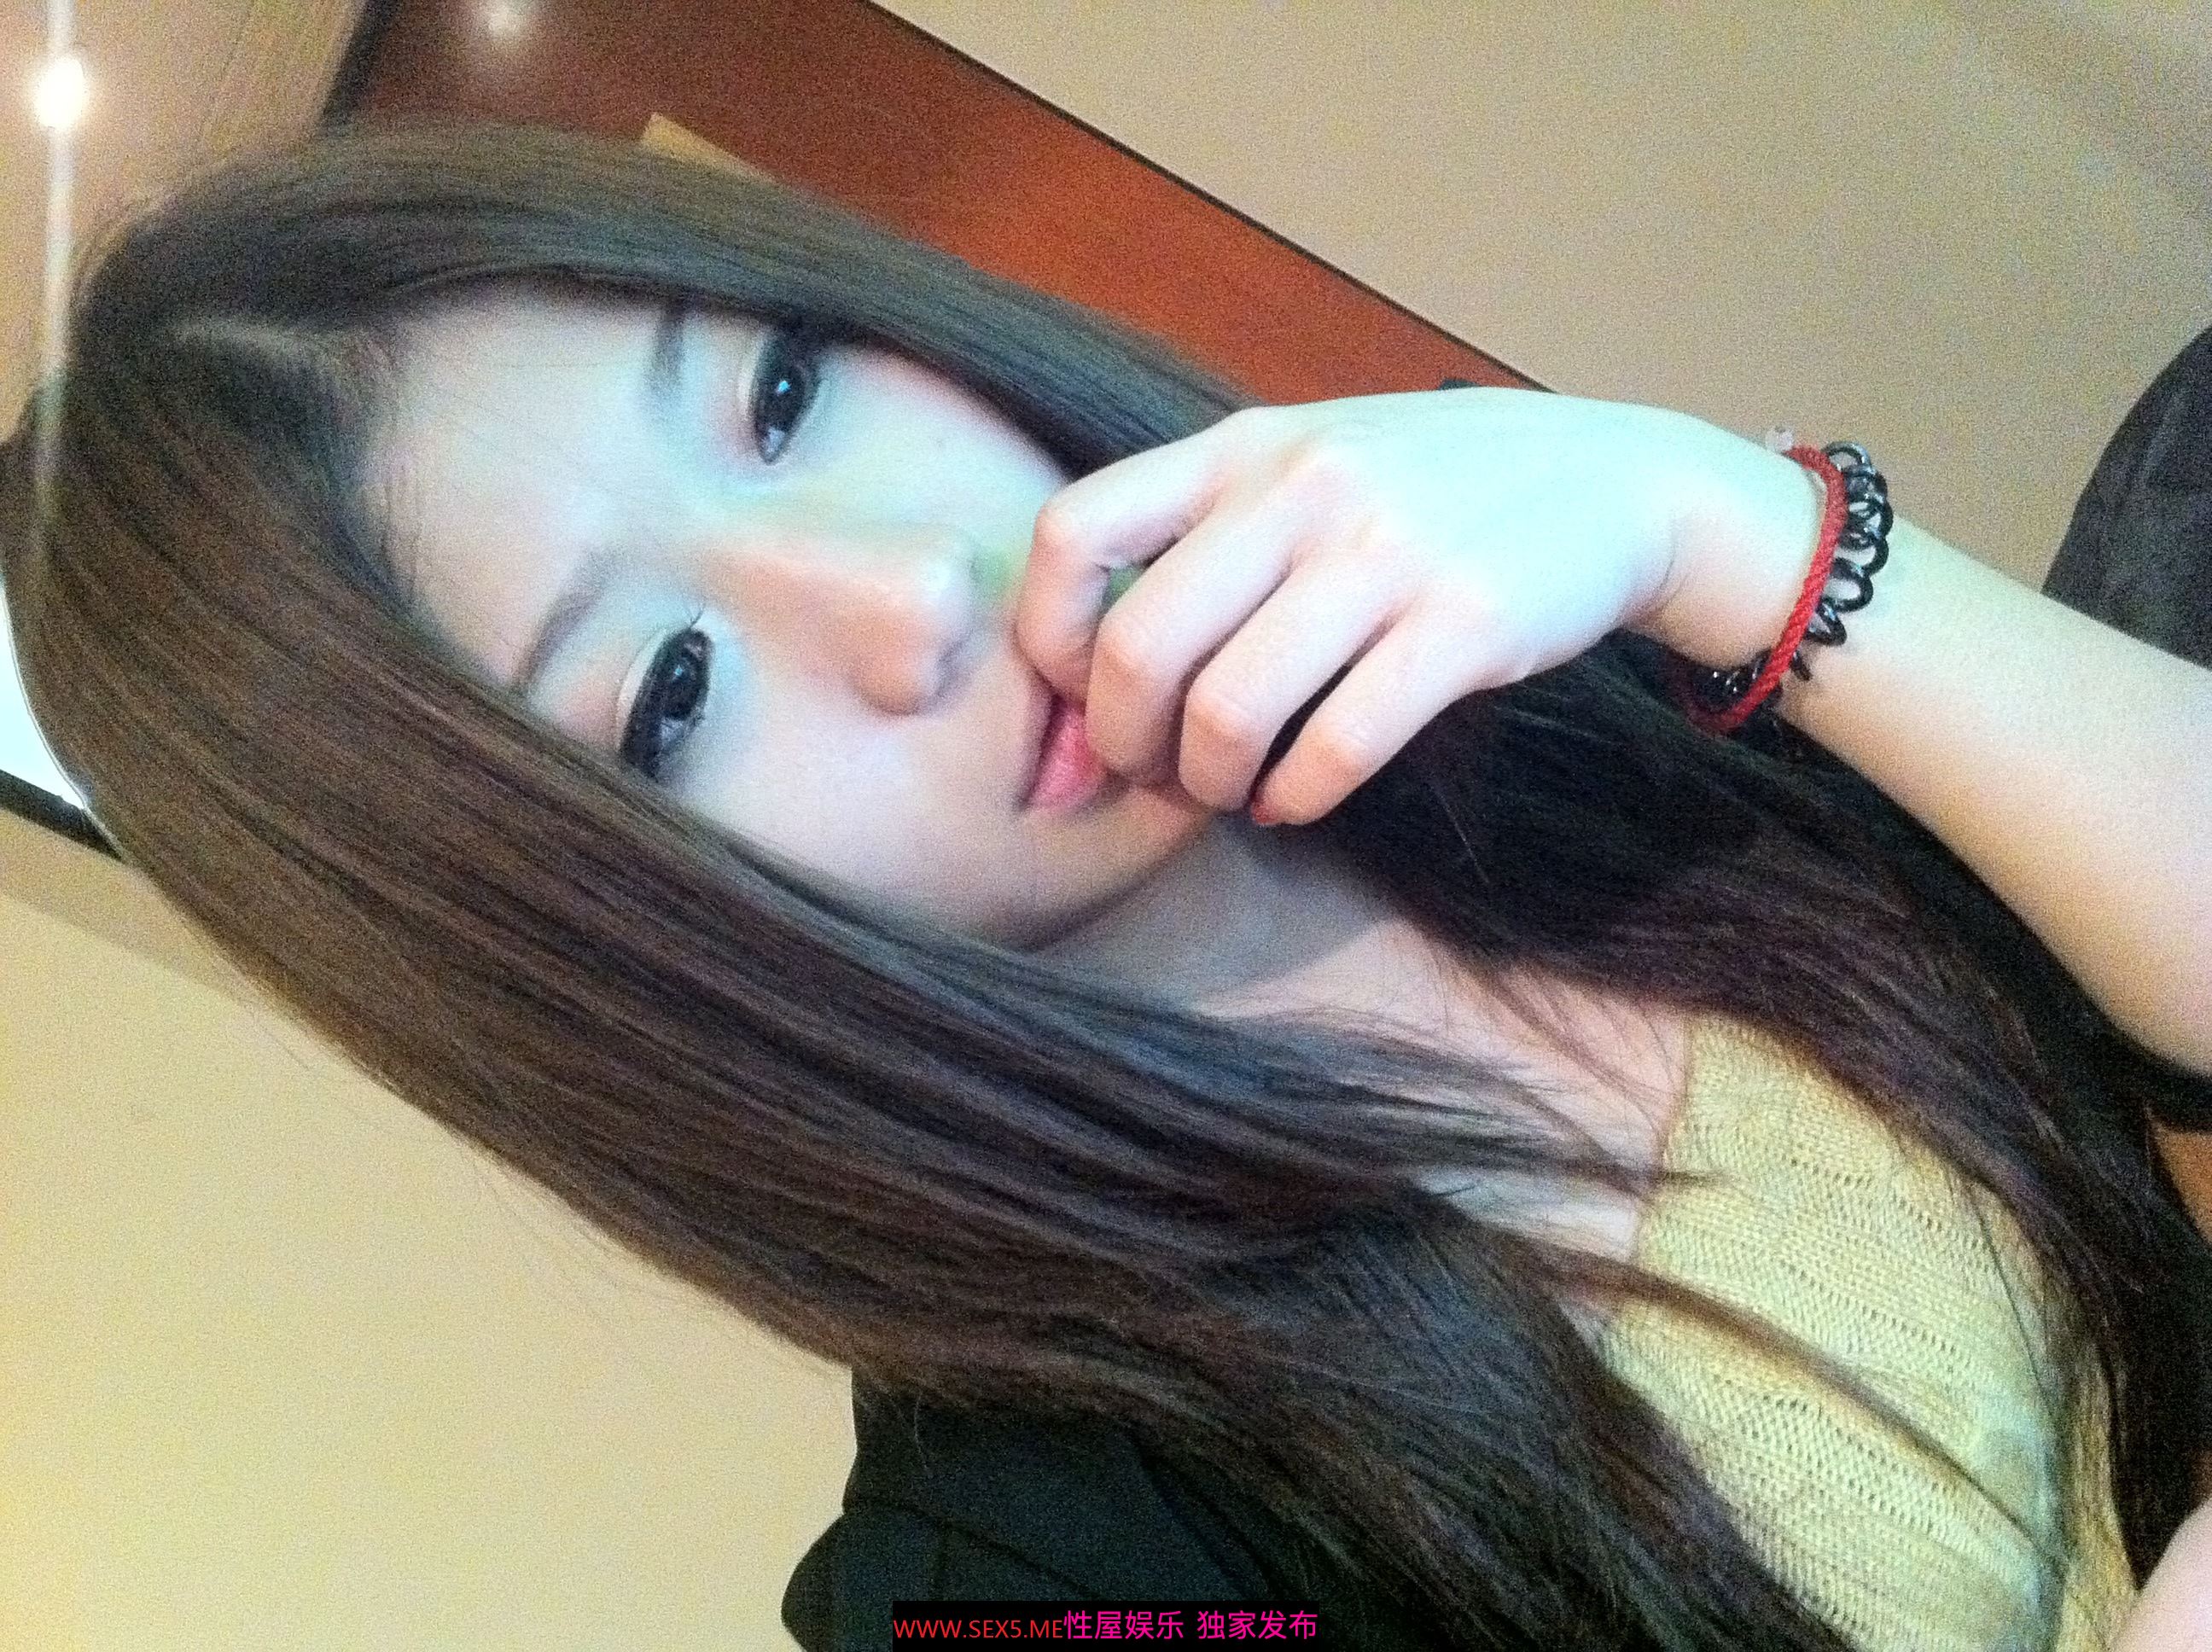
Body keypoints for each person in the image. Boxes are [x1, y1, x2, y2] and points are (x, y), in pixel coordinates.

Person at [5, 123, 2209, 1650]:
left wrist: (1702, 517)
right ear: (609, 961)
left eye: (781, 396)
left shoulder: (1485, 631)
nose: (907, 593)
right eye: (672, 692)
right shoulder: (1020, 1587)